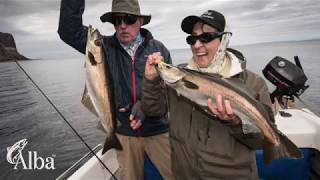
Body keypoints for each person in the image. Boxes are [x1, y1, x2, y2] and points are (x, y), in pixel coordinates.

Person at [142, 10, 274, 179]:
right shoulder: (178, 75)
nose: (197, 45)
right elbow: (153, 110)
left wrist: (235, 122)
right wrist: (151, 80)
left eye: (206, 37)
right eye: (192, 38)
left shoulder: (253, 83)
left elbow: (260, 142)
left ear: (224, 39)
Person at [58, 0, 173, 179]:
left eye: (128, 19)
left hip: (158, 131)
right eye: (117, 20)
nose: (122, 26)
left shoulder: (159, 50)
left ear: (141, 21)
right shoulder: (101, 47)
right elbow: (68, 31)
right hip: (124, 134)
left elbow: (169, 93)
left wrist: (144, 105)